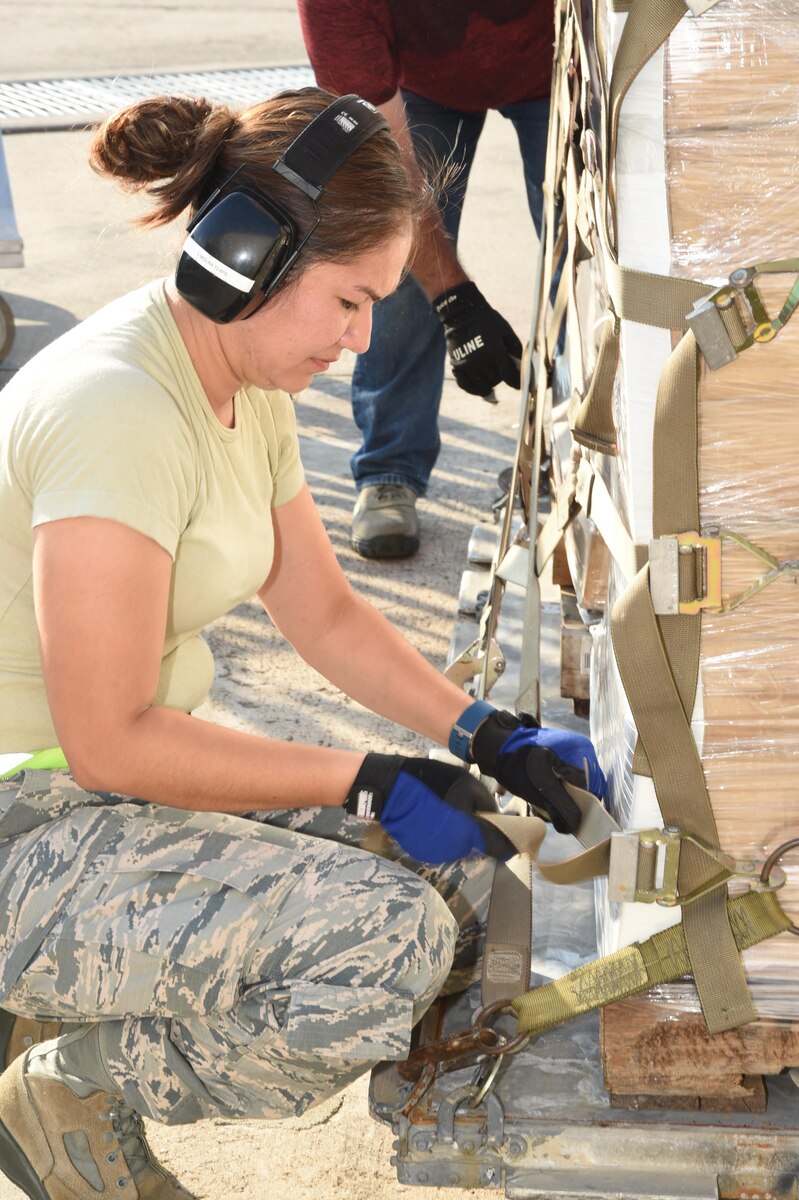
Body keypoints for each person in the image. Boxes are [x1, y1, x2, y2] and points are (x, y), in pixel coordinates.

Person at [0, 87, 605, 1200]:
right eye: (350, 300)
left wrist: (487, 734)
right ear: (245, 261)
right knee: (382, 949)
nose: (364, 337)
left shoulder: (237, 374)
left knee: (472, 871)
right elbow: (108, 743)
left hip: (102, 803)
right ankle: (65, 1082)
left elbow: (320, 613)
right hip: (28, 819)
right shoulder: (117, 409)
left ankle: (93, 984)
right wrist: (370, 778)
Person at [297, 0, 554, 559]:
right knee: (393, 267)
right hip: (420, 80)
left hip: (559, 62)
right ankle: (389, 470)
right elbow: (388, 173)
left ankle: (575, 457)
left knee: (584, 265)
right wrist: (455, 301)